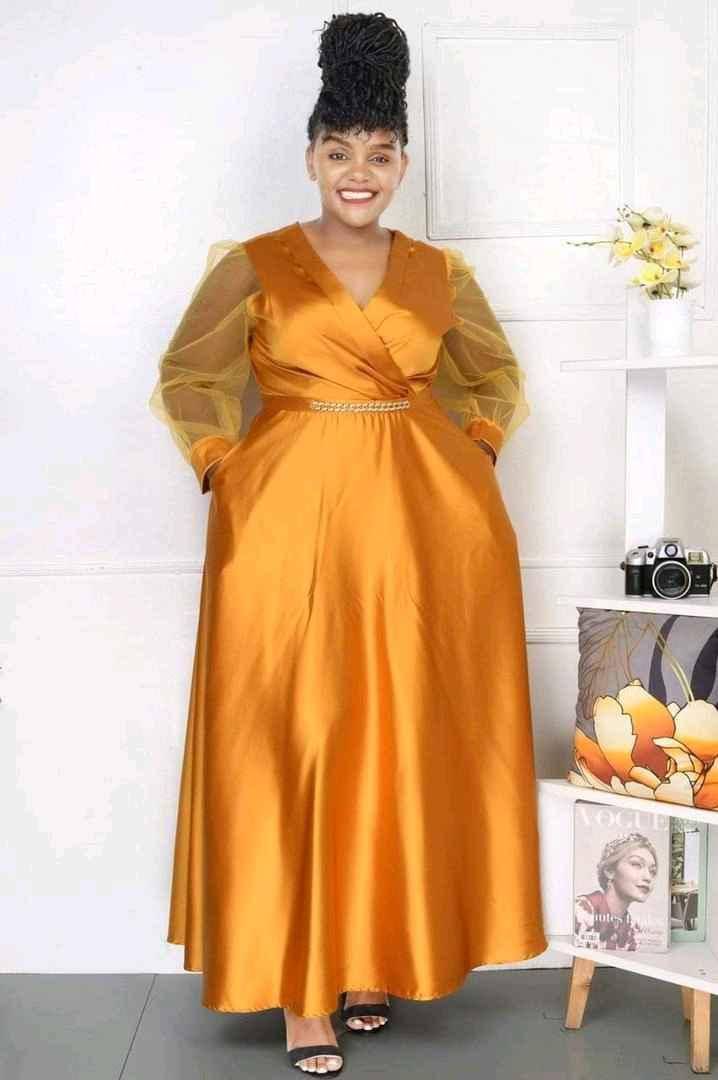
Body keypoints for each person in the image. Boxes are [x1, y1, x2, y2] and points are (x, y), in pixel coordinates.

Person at [148, 11, 548, 1075]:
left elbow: (493, 375)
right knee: (294, 731)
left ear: (402, 164)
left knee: (390, 731)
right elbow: (188, 375)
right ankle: (299, 991)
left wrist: (471, 452)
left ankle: (369, 958)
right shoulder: (255, 263)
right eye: (339, 153)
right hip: (283, 523)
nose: (358, 173)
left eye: (378, 154)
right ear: (310, 159)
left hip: (416, 529)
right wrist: (223, 463)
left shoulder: (438, 272)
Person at [574, 832, 658, 952]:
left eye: (652, 871)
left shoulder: (633, 930)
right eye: (636, 864)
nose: (648, 877)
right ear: (610, 871)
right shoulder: (580, 911)